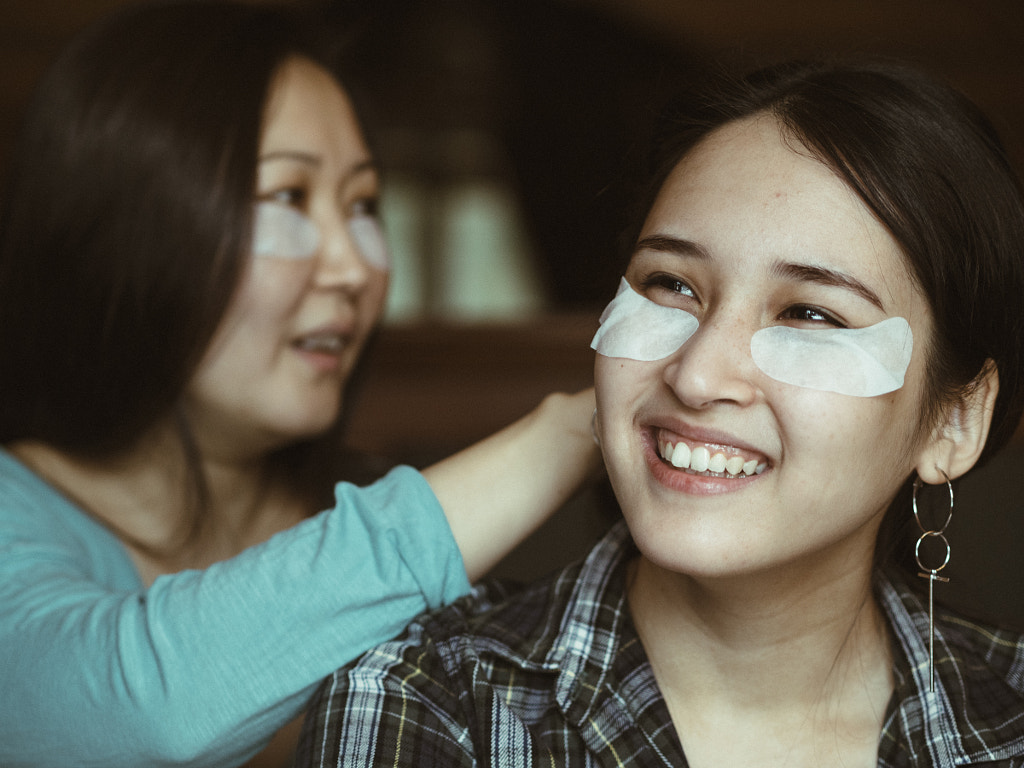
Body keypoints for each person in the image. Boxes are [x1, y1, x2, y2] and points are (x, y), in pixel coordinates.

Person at [296, 59, 1024, 767]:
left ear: (953, 422)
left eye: (809, 313)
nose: (697, 375)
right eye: (671, 284)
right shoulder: (427, 702)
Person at [0, 2, 600, 767]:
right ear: (126, 223)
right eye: (289, 196)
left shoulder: (369, 499)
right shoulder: (15, 510)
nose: (353, 267)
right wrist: (567, 431)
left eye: (363, 205)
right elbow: (138, 714)